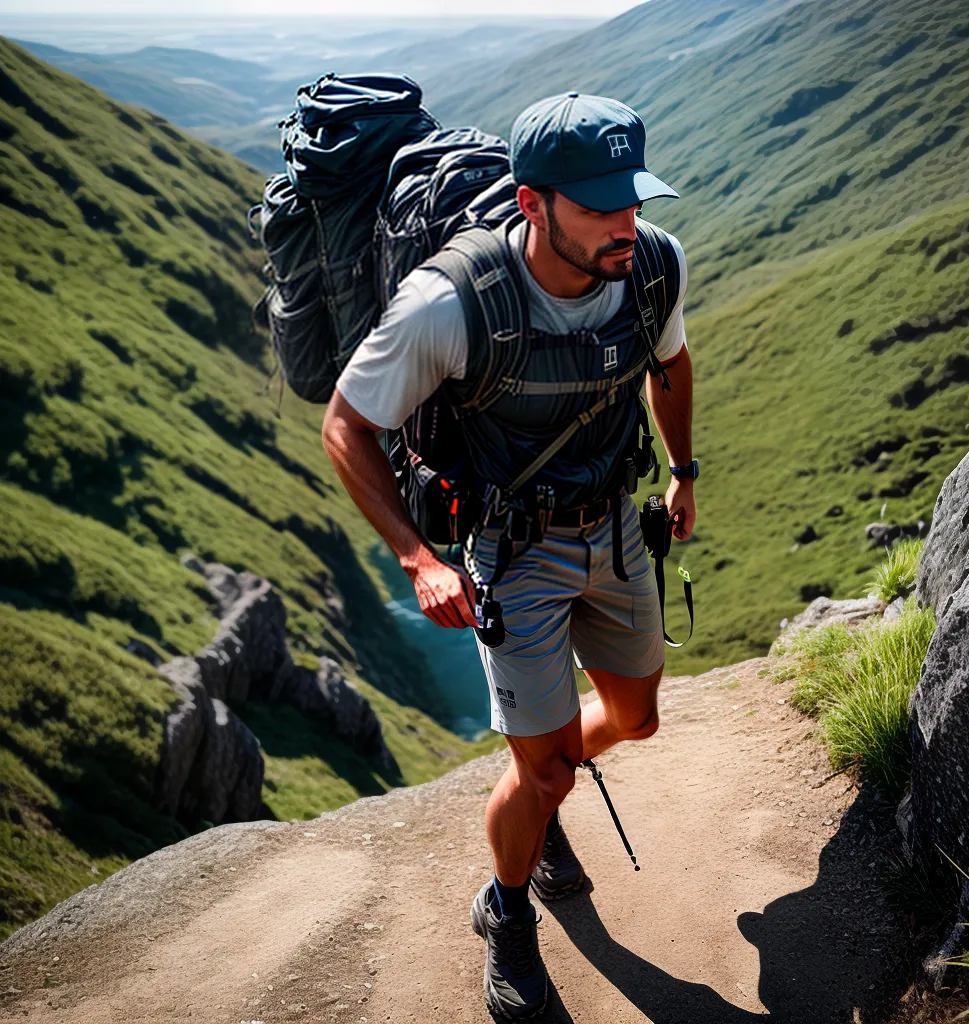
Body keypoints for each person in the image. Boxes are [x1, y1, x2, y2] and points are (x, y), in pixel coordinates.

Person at [322, 90, 695, 1020]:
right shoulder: (448, 304)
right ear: (532, 205)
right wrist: (417, 559)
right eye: (600, 205)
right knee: (547, 770)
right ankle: (508, 907)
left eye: (634, 199)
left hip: (615, 529)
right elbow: (346, 426)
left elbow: (671, 363)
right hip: (512, 550)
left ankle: (543, 791)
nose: (627, 223)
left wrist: (683, 472)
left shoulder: (652, 266)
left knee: (637, 721)